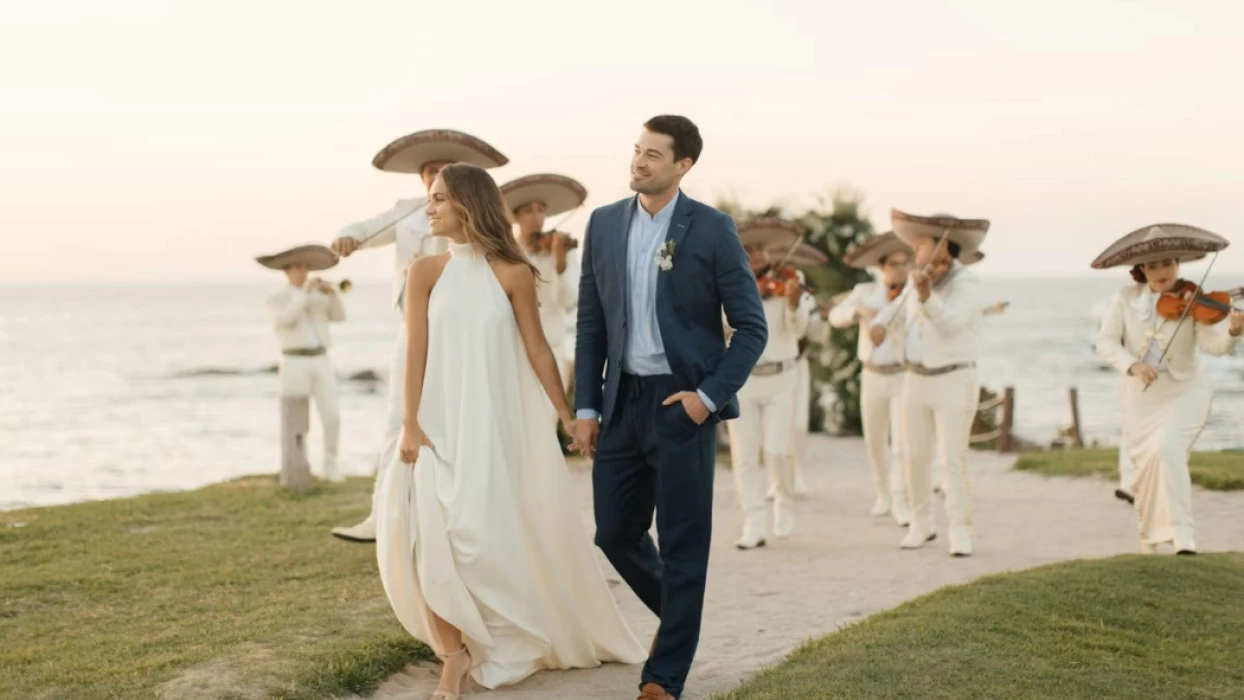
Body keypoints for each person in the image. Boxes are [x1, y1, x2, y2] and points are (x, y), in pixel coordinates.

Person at [375, 163, 645, 699]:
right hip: (435, 425)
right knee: (431, 539)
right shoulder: (424, 272)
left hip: (492, 428)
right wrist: (408, 422)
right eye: (429, 199)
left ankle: (497, 639)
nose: (427, 208)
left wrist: (568, 415)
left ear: (468, 205)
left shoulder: (513, 272)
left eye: (437, 199)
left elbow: (538, 349)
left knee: (481, 541)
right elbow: (415, 354)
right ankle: (452, 657)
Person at [573, 115, 767, 700]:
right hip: (621, 401)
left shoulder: (711, 230)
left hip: (682, 404)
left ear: (683, 166)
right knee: (614, 533)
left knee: (684, 541)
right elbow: (589, 322)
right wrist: (586, 405)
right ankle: (679, 621)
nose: (639, 162)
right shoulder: (603, 224)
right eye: (637, 150)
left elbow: (752, 328)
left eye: (653, 155)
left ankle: (664, 678)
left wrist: (707, 399)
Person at [329, 129, 508, 543]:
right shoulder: (405, 210)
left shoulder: (473, 208)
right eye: (429, 171)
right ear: (420, 177)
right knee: (399, 418)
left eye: (443, 171)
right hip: (414, 325)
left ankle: (460, 513)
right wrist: (347, 236)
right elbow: (364, 228)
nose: (435, 177)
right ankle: (383, 516)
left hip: (462, 325)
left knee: (461, 416)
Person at [1091, 223, 1242, 554]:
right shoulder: (1125, 298)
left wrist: (1232, 332)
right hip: (1141, 398)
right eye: (1153, 265)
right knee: (1146, 468)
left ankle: (1183, 535)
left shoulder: (1194, 299)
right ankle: (1150, 539)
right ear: (1141, 270)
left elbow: (1213, 347)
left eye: (1168, 263)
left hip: (1185, 391)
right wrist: (1133, 365)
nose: (1162, 271)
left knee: (1167, 450)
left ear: (1178, 264)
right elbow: (1106, 343)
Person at [870, 210, 989, 557]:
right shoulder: (914, 279)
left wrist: (926, 297)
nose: (927, 263)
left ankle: (961, 531)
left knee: (953, 459)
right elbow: (893, 311)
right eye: (921, 253)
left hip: (955, 379)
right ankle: (921, 524)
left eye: (934, 257)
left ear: (949, 255)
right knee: (914, 458)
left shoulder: (969, 285)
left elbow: (951, 325)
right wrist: (879, 323)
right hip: (915, 379)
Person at [726, 217, 811, 549]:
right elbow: (718, 326)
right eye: (748, 249)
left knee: (778, 450)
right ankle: (753, 522)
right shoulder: (729, 283)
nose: (756, 254)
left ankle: (784, 504)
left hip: (781, 376)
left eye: (761, 248)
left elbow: (799, 329)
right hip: (743, 378)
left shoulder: (790, 279)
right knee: (744, 455)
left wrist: (791, 303)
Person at [830, 232, 914, 526]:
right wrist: (857, 312)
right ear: (882, 267)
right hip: (872, 375)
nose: (901, 269)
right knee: (875, 441)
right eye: (895, 263)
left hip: (903, 375)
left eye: (906, 263)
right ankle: (883, 494)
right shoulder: (864, 291)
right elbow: (835, 316)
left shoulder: (911, 294)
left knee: (902, 444)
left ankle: (902, 500)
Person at [259, 244, 346, 482]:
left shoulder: (319, 297)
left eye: (305, 268)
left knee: (332, 416)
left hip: (321, 358)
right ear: (287, 272)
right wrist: (305, 295)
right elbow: (284, 320)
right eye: (297, 268)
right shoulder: (275, 299)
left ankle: (331, 466)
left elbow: (340, 317)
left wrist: (333, 294)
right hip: (293, 361)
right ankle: (297, 467)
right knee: (296, 419)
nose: (302, 273)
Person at [499, 173, 587, 391]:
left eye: (540, 209)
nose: (536, 216)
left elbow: (568, 302)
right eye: (528, 210)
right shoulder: (507, 254)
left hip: (552, 346)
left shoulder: (563, 251)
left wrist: (560, 265)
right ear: (516, 217)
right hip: (513, 347)